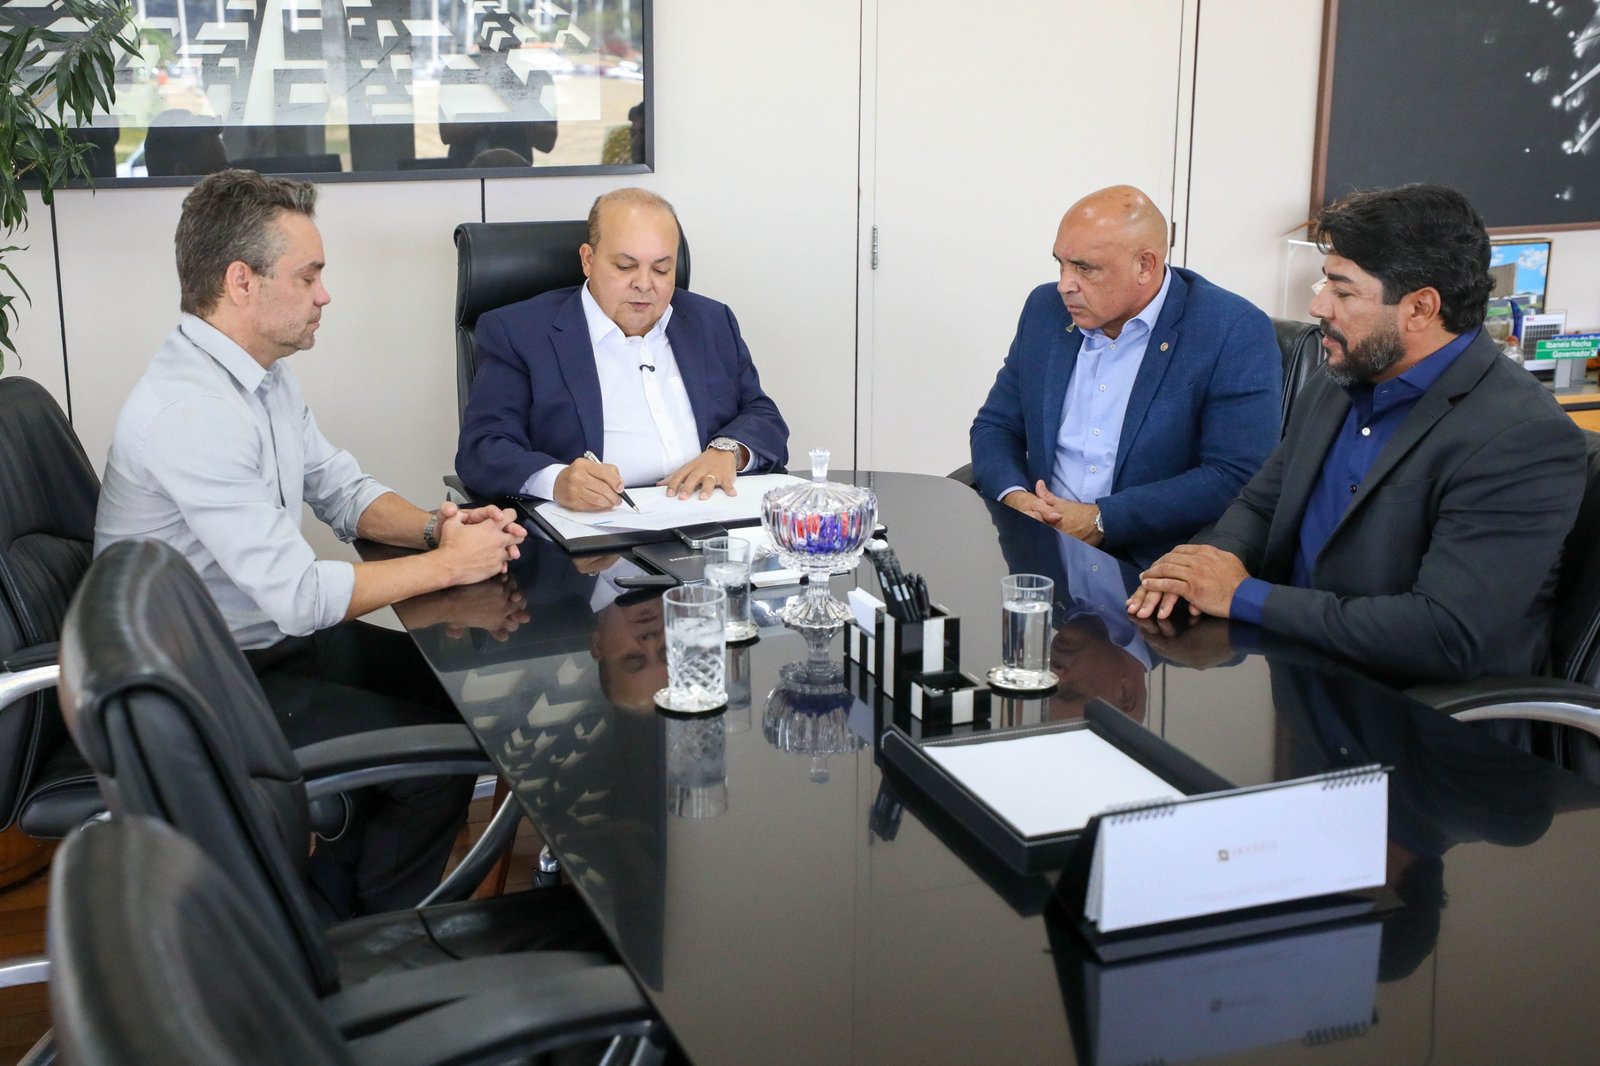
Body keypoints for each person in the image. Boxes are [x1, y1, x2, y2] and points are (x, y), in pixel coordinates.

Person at [96, 169, 527, 918]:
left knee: (460, 699)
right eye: (309, 275)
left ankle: (337, 910)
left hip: (260, 643)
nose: (325, 294)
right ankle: (379, 944)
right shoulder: (192, 411)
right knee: (434, 758)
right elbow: (299, 597)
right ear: (242, 282)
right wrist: (445, 567)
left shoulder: (259, 377)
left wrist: (437, 528)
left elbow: (341, 489)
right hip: (200, 681)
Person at [1128, 184, 1587, 682]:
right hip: (1297, 668)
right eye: (1324, 284)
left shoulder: (1522, 436)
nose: (1318, 307)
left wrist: (1241, 596)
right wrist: (1200, 569)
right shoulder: (1339, 378)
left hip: (1410, 708)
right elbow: (1260, 506)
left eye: (1343, 292)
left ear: (1420, 308)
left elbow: (1444, 634)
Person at [969, 185, 1282, 567]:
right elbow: (996, 425)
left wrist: (1102, 520)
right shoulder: (1044, 309)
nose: (1065, 284)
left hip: (1150, 565)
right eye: (1061, 264)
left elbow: (1236, 475)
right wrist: (1017, 498)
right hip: (1038, 545)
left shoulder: (1230, 329)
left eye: (1085, 268)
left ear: (1145, 265)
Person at [455, 187, 789, 510]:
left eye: (661, 269)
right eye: (626, 266)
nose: (644, 284)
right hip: (600, 528)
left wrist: (728, 452)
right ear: (588, 260)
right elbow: (482, 447)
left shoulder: (710, 321)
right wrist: (556, 481)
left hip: (712, 516)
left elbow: (763, 415)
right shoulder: (520, 332)